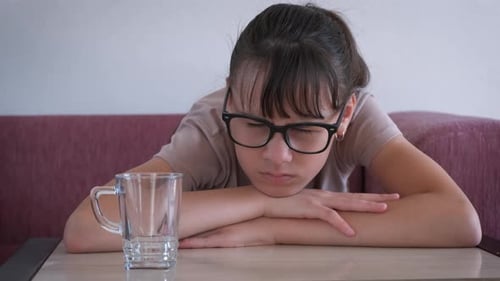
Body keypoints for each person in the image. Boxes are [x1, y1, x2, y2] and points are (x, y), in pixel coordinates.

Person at [63, 2, 481, 252]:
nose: (276, 156)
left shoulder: (354, 116)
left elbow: (459, 220)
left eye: (303, 130)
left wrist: (271, 228)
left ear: (345, 114)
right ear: (230, 99)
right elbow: (86, 228)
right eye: (254, 123)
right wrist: (261, 201)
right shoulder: (213, 125)